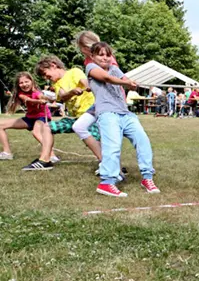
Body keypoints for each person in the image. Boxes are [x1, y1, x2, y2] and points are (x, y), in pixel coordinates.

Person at [87, 42, 159, 198]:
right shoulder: (91, 68)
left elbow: (126, 80)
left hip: (125, 113)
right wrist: (126, 83)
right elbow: (106, 78)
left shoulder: (114, 69)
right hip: (107, 113)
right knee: (112, 146)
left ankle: (147, 178)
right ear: (92, 56)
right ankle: (106, 182)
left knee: (143, 141)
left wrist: (132, 84)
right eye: (100, 54)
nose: (105, 58)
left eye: (108, 55)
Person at [36, 56, 103, 162]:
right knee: (48, 127)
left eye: (45, 73)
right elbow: (63, 96)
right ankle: (45, 160)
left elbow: (85, 82)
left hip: (91, 115)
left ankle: (108, 165)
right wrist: (72, 92)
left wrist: (88, 86)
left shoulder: (74, 72)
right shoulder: (57, 84)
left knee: (95, 139)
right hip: (76, 118)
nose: (45, 78)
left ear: (53, 66)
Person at [0, 72, 56, 170]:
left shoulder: (37, 92)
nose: (24, 84)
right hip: (30, 118)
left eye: (26, 81)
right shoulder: (21, 94)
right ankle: (7, 152)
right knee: (0, 125)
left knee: (36, 133)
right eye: (21, 83)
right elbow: (27, 99)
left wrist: (44, 98)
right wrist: (39, 101)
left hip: (42, 116)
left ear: (32, 81)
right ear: (18, 85)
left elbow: (40, 96)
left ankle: (51, 155)